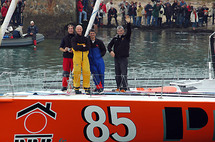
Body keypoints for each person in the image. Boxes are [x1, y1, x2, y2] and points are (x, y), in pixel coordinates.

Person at [107, 16, 131, 92]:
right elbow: (109, 46)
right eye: (119, 31)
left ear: (123, 31)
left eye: (121, 31)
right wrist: (111, 51)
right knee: (117, 73)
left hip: (123, 58)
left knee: (124, 73)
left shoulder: (126, 37)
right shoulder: (115, 38)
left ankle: (125, 87)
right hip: (116, 58)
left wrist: (128, 23)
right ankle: (118, 86)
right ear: (117, 31)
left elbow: (129, 31)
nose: (120, 32)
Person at [71, 25, 91, 94]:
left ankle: (87, 88)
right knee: (76, 72)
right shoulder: (74, 39)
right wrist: (82, 46)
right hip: (77, 58)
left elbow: (88, 47)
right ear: (76, 30)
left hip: (85, 57)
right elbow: (75, 47)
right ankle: (76, 88)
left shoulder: (86, 38)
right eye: (78, 29)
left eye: (80, 29)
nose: (79, 30)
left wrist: (79, 46)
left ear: (82, 30)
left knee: (87, 71)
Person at [59, 24, 75, 91]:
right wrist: (64, 50)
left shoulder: (76, 37)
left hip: (74, 57)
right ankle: (64, 86)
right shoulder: (64, 38)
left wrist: (73, 50)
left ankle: (75, 85)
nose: (70, 29)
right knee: (66, 72)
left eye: (71, 28)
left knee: (74, 72)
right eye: (69, 28)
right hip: (66, 57)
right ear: (68, 30)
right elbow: (60, 47)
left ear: (73, 29)